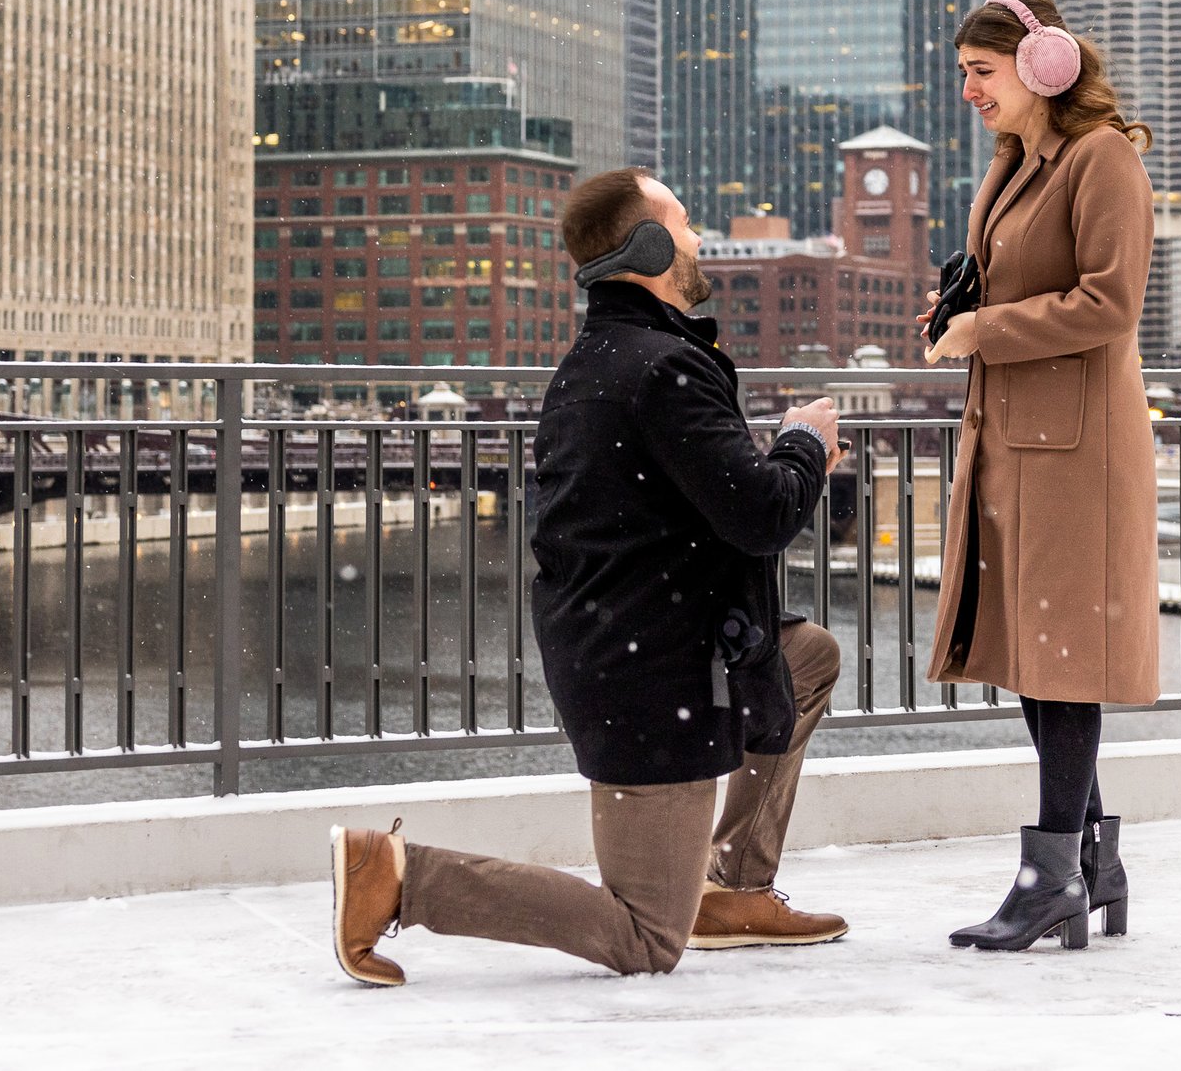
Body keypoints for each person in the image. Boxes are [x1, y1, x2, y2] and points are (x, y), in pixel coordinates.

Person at [331, 168, 854, 986]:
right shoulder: (663, 370)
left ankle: (733, 882)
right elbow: (759, 516)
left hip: (640, 646)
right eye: (681, 222)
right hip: (656, 676)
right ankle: (399, 875)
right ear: (646, 247)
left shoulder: (605, 357)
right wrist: (804, 445)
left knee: (808, 655)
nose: (696, 236)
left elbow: (699, 504)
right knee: (646, 937)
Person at [920, 0, 1157, 953]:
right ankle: (1091, 867)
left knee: (1063, 663)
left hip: (1076, 451)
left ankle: (1052, 875)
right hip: (1019, 441)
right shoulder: (1016, 164)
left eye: (981, 71)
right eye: (967, 75)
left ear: (1041, 66)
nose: (970, 90)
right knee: (1038, 657)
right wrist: (962, 304)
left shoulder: (1103, 158)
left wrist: (987, 328)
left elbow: (1110, 302)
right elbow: (1025, 279)